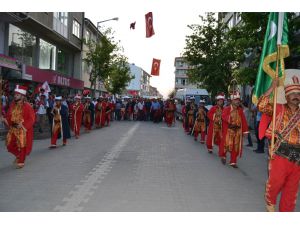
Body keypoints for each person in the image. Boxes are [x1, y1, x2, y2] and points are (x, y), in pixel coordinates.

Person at [257, 74, 300, 212]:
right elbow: (261, 106)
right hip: (280, 153)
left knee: (291, 191)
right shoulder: (279, 108)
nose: (296, 96)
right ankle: (270, 200)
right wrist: (272, 87)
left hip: (298, 157)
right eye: (292, 93)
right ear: (286, 96)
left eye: (298, 93)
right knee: (276, 183)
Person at [2, 85, 35, 169]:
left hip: (21, 129)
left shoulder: (27, 106)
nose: (15, 96)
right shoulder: (13, 105)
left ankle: (21, 161)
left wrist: (23, 126)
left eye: (17, 95)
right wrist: (4, 119)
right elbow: (9, 116)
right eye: (15, 94)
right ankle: (19, 155)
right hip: (13, 129)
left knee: (22, 145)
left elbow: (31, 119)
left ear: (22, 96)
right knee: (9, 145)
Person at [219, 91, 249, 168]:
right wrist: (230, 116)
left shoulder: (240, 110)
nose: (238, 101)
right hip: (229, 130)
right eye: (236, 100)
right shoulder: (227, 109)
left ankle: (233, 161)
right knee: (226, 145)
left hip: (238, 131)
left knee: (236, 146)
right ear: (232, 100)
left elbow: (243, 121)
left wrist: (245, 131)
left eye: (238, 100)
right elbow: (223, 116)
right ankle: (223, 156)